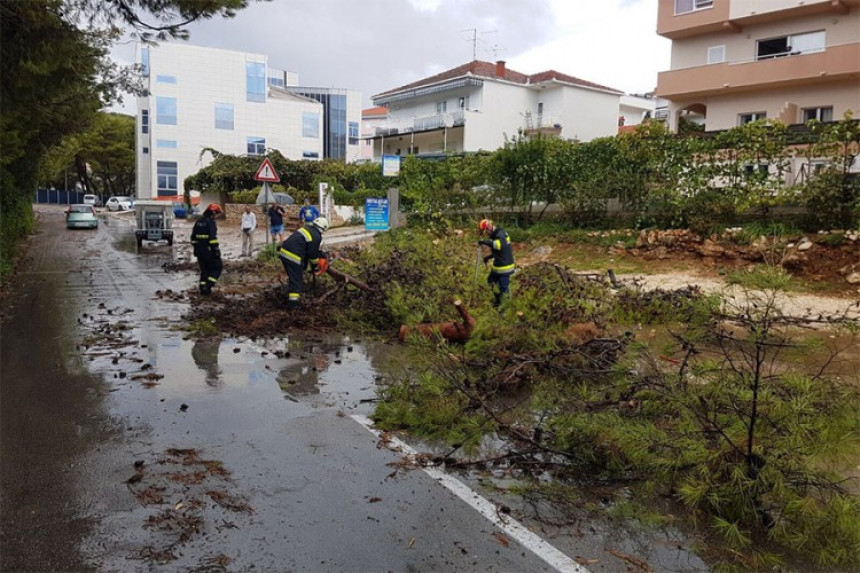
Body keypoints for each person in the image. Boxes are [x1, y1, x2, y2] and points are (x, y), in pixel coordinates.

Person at [278, 217, 329, 310]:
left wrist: (305, 266)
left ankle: (290, 296)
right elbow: (312, 254)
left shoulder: (306, 228)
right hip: (293, 257)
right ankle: (293, 306)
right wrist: (315, 265)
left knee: (294, 277)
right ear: (323, 228)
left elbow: (305, 249)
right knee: (296, 282)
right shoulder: (317, 236)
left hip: (283, 252)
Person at [477, 219, 515, 307]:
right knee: (491, 281)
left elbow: (499, 245)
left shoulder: (500, 234)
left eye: (485, 232)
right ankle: (497, 302)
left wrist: (484, 242)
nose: (486, 234)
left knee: (503, 289)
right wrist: (488, 257)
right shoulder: (495, 234)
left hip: (505, 267)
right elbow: (499, 251)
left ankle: (505, 309)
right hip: (498, 265)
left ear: (489, 228)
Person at [190, 204, 223, 295]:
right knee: (217, 267)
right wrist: (216, 249)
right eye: (217, 214)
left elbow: (193, 238)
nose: (217, 216)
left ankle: (202, 288)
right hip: (208, 251)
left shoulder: (198, 221)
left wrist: (196, 249)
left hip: (199, 252)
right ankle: (208, 286)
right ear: (213, 213)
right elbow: (212, 238)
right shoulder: (211, 222)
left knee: (204, 270)